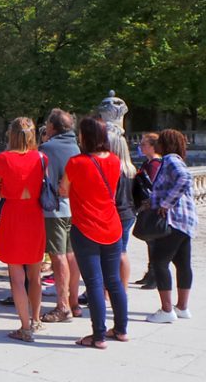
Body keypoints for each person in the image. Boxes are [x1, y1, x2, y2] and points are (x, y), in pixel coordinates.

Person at [59, 116, 127, 349]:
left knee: (95, 283)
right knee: (114, 281)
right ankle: (120, 329)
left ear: (84, 137)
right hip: (112, 225)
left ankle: (98, 335)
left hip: (86, 227)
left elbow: (63, 190)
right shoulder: (115, 160)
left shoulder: (76, 163)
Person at [0, 117, 46, 342]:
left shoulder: (3, 159)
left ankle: (25, 327)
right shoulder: (42, 158)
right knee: (35, 274)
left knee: (16, 277)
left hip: (13, 214)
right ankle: (36, 319)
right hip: (35, 214)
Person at [146, 129, 197, 323]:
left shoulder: (170, 160)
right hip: (186, 220)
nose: (156, 144)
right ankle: (182, 307)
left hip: (173, 219)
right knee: (183, 264)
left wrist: (165, 203)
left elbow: (184, 179)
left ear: (166, 144)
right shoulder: (178, 160)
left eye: (159, 141)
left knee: (159, 262)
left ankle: (167, 310)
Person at [38, 109, 83, 323]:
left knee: (58, 256)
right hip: (75, 207)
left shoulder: (47, 148)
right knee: (71, 254)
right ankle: (73, 301)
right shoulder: (77, 147)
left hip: (54, 209)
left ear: (52, 127)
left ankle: (62, 306)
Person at [132, 133, 162, 289]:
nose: (141, 146)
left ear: (152, 146)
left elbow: (151, 187)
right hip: (148, 207)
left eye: (144, 144)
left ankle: (155, 275)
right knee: (150, 241)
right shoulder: (149, 163)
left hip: (152, 208)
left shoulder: (154, 165)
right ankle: (151, 273)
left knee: (153, 241)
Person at [108, 131, 137, 290]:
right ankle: (123, 289)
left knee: (110, 255)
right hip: (129, 213)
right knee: (122, 252)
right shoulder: (131, 169)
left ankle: (108, 291)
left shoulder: (114, 169)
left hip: (116, 214)